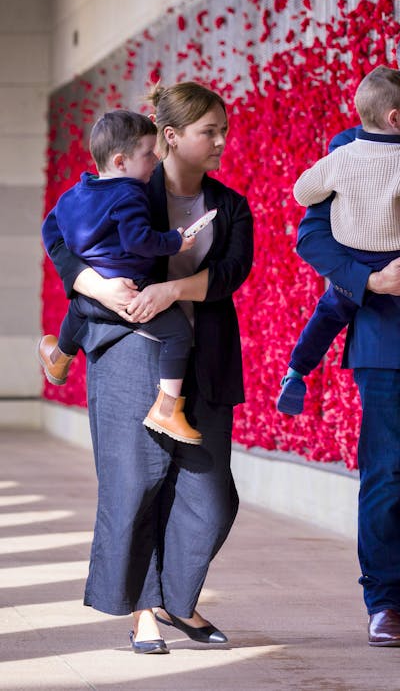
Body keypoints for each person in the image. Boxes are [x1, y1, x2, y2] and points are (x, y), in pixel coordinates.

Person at [42, 80, 253, 653]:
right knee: (135, 486)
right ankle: (142, 612)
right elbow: (60, 239)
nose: (220, 142)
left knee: (212, 501)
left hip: (202, 360)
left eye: (223, 131)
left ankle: (173, 601)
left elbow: (233, 272)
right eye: (210, 131)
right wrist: (98, 286)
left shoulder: (229, 205)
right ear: (170, 137)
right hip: (128, 352)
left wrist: (172, 290)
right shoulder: (129, 183)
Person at [293, 70, 400, 646]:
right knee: (387, 472)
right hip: (386, 337)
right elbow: (312, 236)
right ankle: (385, 602)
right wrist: (372, 279)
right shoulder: (346, 152)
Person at [39, 108, 201, 445]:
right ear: (121, 161)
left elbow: (49, 228)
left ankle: (57, 360)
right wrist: (176, 242)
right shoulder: (130, 194)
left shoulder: (74, 195)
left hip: (88, 299)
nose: (156, 160)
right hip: (129, 291)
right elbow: (138, 241)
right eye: (148, 154)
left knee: (77, 314)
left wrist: (90, 277)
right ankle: (167, 409)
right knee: (178, 334)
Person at [277, 65, 400, 416]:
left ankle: (296, 372)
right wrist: (371, 281)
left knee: (328, 313)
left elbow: (302, 192)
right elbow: (311, 236)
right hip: (379, 298)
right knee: (386, 463)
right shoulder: (345, 145)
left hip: (361, 262)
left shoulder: (343, 157)